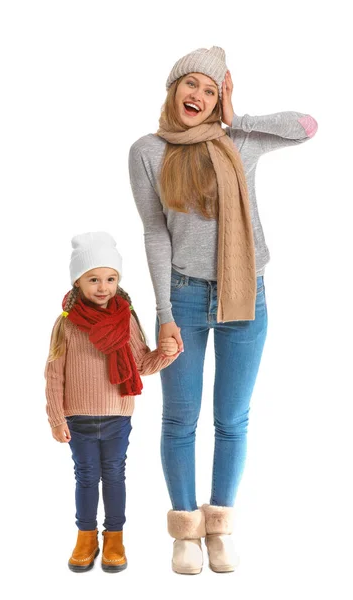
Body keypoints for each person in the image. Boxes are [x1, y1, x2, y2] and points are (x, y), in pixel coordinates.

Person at [128, 46, 318, 574]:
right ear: (174, 89)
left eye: (211, 90)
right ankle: (185, 531)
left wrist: (239, 116)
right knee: (180, 417)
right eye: (192, 85)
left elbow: (308, 125)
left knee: (232, 419)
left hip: (245, 296)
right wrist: (164, 309)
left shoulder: (239, 141)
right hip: (184, 297)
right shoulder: (147, 150)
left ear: (220, 98)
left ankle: (220, 528)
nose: (199, 97)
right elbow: (154, 231)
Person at [45, 232, 179, 573]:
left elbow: (141, 364)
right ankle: (86, 537)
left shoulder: (127, 320)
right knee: (87, 477)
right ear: (78, 281)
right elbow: (54, 375)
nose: (103, 286)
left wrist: (165, 355)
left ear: (118, 280)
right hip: (79, 419)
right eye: (93, 279)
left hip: (117, 416)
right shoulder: (66, 325)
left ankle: (115, 537)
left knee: (115, 475)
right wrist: (57, 419)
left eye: (110, 278)